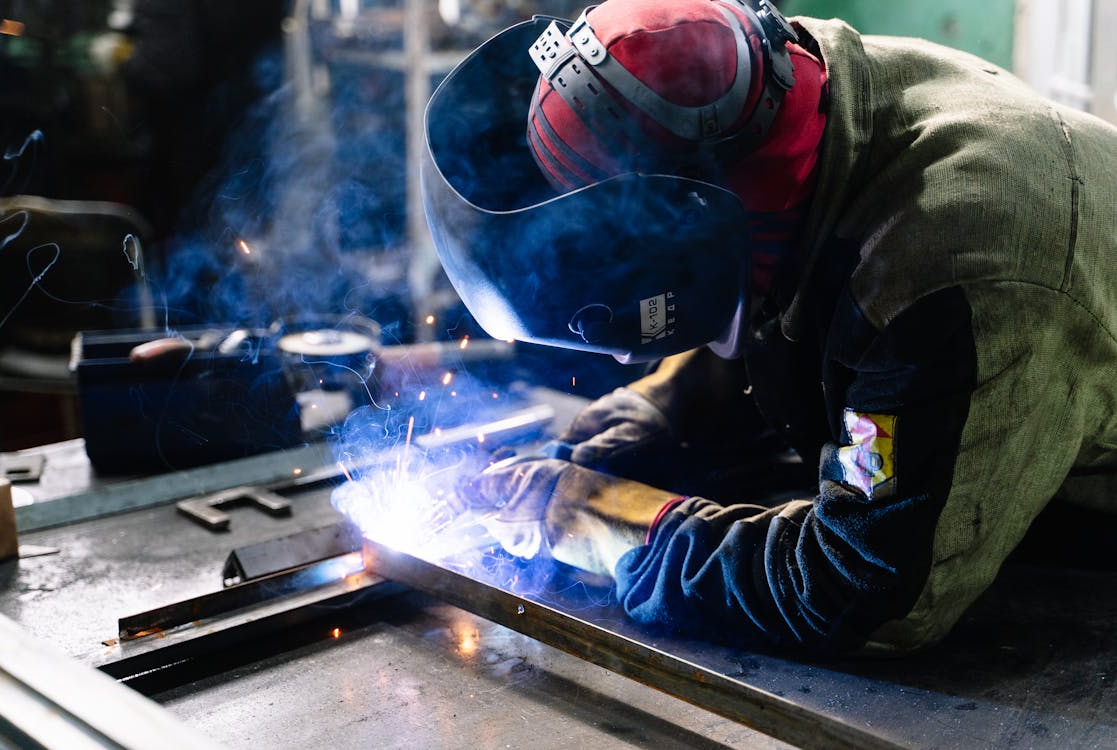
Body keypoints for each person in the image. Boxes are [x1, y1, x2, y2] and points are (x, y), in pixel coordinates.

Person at [421, 0, 1117, 653]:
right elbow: (792, 277)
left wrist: (598, 516)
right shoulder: (771, 92)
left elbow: (860, 591)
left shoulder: (957, 277)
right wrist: (668, 407)